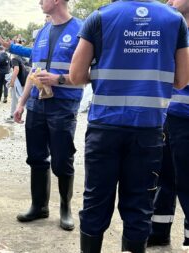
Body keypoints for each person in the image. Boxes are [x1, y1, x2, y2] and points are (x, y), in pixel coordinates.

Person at [69, 0, 189, 252]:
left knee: (95, 202)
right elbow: (181, 80)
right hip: (148, 130)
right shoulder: (174, 20)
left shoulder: (99, 17)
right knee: (139, 207)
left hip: (105, 128)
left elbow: (76, 76)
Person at [13, 0, 84, 232]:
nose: (39, 2)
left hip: (63, 106)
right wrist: (21, 103)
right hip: (36, 105)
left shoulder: (81, 30)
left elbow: (91, 74)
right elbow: (33, 71)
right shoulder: (43, 31)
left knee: (62, 159)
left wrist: (59, 80)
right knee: (36, 157)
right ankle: (39, 206)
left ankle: (65, 208)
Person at [148, 0, 189, 248]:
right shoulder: (171, 31)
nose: (168, 1)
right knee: (164, 178)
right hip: (167, 116)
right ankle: (159, 230)